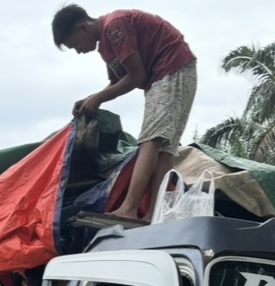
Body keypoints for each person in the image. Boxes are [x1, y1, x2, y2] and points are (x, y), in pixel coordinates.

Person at [53, 5, 197, 225]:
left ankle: (129, 208)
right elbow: (117, 81)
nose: (78, 51)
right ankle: (153, 213)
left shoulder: (114, 27)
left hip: (172, 69)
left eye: (75, 44)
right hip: (164, 76)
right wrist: (93, 97)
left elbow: (136, 76)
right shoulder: (105, 47)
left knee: (151, 140)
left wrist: (99, 99)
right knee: (163, 147)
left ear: (83, 27)